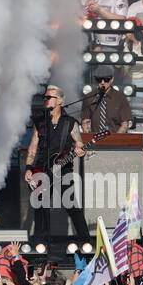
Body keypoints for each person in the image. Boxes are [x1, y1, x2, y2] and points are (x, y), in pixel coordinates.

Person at [23, 83, 88, 242]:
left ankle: (86, 242)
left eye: (49, 97)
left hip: (63, 170)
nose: (45, 100)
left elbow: (79, 145)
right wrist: (29, 168)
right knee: (40, 207)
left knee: (72, 206)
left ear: (59, 101)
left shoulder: (70, 123)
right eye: (44, 97)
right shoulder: (40, 122)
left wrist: (81, 150)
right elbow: (32, 148)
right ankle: (40, 244)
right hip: (42, 170)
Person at [80, 65, 133, 135]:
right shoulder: (89, 97)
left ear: (112, 79)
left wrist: (115, 139)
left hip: (115, 140)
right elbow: (85, 121)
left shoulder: (120, 98)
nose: (102, 82)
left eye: (106, 79)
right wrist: (89, 138)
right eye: (99, 79)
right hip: (95, 140)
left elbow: (125, 124)